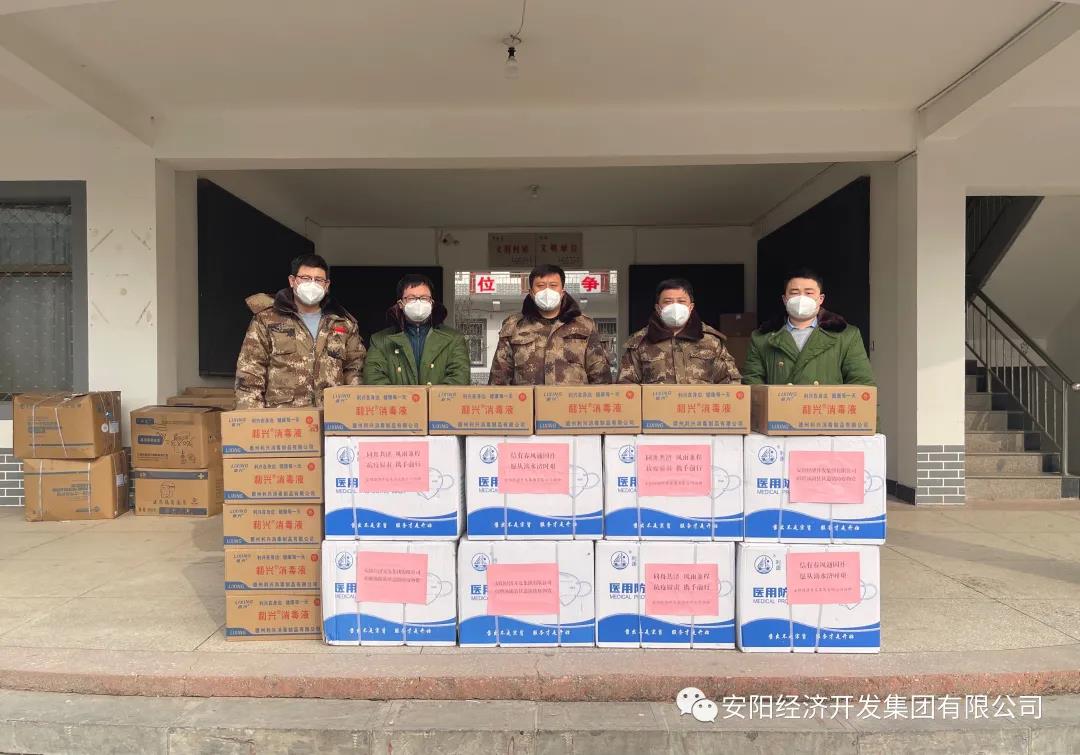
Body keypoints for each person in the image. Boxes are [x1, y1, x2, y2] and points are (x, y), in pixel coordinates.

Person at [235, 253, 366, 408]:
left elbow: (355, 372)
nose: (312, 284)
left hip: (332, 417)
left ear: (326, 285)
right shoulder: (267, 319)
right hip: (285, 418)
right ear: (292, 281)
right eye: (305, 278)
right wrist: (251, 418)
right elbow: (250, 373)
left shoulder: (344, 323)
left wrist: (352, 414)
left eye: (318, 280)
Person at [741, 269, 875, 385]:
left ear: (820, 299)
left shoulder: (846, 336)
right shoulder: (761, 338)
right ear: (785, 299)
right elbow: (753, 384)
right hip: (780, 408)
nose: (801, 298)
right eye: (794, 292)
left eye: (809, 293)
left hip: (824, 407)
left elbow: (862, 384)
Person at [488, 263, 612, 385]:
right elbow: (499, 379)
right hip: (527, 398)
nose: (547, 291)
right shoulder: (513, 326)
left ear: (562, 292)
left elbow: (600, 377)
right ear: (531, 292)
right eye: (540, 286)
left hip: (571, 399)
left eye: (553, 285)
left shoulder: (585, 325)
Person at [617, 278, 740, 384]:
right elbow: (626, 385)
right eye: (668, 302)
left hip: (699, 404)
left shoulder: (710, 341)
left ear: (691, 307)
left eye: (681, 301)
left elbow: (731, 381)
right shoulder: (640, 343)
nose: (675, 307)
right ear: (658, 308)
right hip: (657, 404)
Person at [363, 273, 471, 385]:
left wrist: (430, 396)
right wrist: (407, 397)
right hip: (396, 398)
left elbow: (459, 379)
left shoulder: (454, 339)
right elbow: (374, 379)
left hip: (439, 398)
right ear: (400, 304)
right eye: (411, 298)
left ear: (431, 303)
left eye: (424, 298)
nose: (418, 303)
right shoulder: (380, 341)